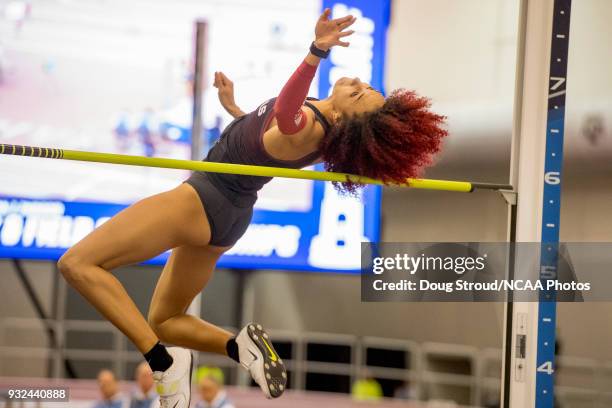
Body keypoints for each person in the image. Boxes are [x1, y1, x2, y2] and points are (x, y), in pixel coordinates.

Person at [58, 8, 447, 408]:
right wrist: (235, 110)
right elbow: (263, 140)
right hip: (228, 215)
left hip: (202, 199)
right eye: (366, 86)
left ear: (349, 123)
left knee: (78, 264)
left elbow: (284, 116)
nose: (359, 84)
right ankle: (239, 346)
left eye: (362, 95)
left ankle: (161, 361)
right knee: (166, 320)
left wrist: (315, 51)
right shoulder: (317, 130)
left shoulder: (310, 125)